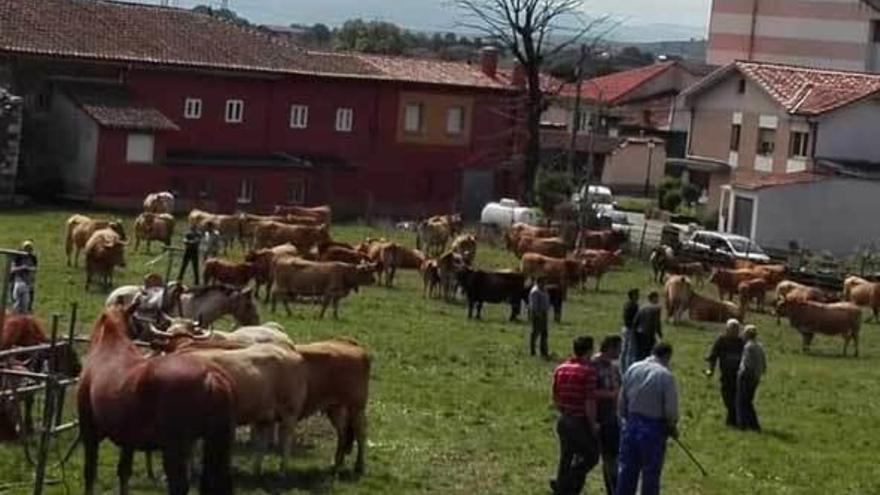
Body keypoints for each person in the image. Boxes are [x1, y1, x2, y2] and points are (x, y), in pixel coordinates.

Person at [617, 342, 679, 495]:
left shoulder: (633, 368)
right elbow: (670, 409)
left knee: (627, 469)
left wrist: (626, 417)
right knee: (651, 473)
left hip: (631, 423)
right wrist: (672, 425)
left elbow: (622, 398)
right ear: (667, 356)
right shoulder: (665, 376)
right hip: (653, 428)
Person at [551, 336, 600, 495]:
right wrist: (593, 424)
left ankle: (562, 485)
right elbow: (590, 401)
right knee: (591, 456)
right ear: (589, 351)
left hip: (564, 419)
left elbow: (555, 396)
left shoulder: (561, 368)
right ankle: (566, 483)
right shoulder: (589, 371)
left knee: (566, 455)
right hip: (579, 421)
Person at [593, 336, 622, 495]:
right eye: (618, 348)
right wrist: (609, 395)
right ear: (610, 347)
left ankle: (612, 489)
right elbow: (589, 392)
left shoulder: (614, 366)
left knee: (612, 458)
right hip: (597, 418)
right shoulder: (593, 365)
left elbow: (619, 389)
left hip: (611, 418)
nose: (620, 351)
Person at [705, 319, 745, 427]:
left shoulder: (741, 342)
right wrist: (711, 370)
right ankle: (734, 420)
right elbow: (713, 356)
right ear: (727, 330)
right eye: (732, 330)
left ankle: (733, 421)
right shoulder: (721, 341)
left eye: (736, 330)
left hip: (738, 375)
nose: (734, 332)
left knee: (735, 398)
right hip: (726, 375)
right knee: (727, 397)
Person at [737, 325, 766, 432]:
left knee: (742, 401)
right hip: (756, 377)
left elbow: (747, 363)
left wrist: (742, 374)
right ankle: (753, 425)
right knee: (748, 401)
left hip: (747, 377)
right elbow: (763, 364)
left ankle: (744, 425)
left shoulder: (748, 347)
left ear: (747, 335)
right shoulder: (760, 346)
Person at [632, 291, 663, 362]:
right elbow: (656, 323)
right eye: (657, 298)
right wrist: (659, 333)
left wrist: (634, 332)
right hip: (648, 334)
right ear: (654, 298)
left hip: (639, 332)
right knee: (647, 353)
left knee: (638, 353)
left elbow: (635, 321)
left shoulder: (642, 307)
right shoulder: (656, 309)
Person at [10, 241, 37, 314]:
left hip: (29, 283)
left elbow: (34, 269)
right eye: (26, 248)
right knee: (18, 303)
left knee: (27, 304)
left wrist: (30, 270)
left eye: (30, 248)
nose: (28, 250)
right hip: (18, 282)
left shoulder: (33, 258)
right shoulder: (18, 257)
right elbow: (12, 269)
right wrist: (22, 268)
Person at [529, 278, 551, 358]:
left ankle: (544, 351)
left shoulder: (544, 290)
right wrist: (538, 314)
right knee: (535, 332)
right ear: (538, 282)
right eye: (543, 282)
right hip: (537, 314)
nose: (544, 284)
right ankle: (533, 351)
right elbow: (534, 305)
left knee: (544, 333)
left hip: (544, 313)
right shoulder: (535, 291)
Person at [620, 289, 640, 373]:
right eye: (637, 295)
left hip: (625, 328)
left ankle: (622, 367)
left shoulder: (626, 305)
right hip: (631, 329)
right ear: (633, 296)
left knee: (624, 349)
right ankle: (629, 369)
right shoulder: (634, 306)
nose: (638, 296)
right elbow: (635, 319)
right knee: (631, 350)